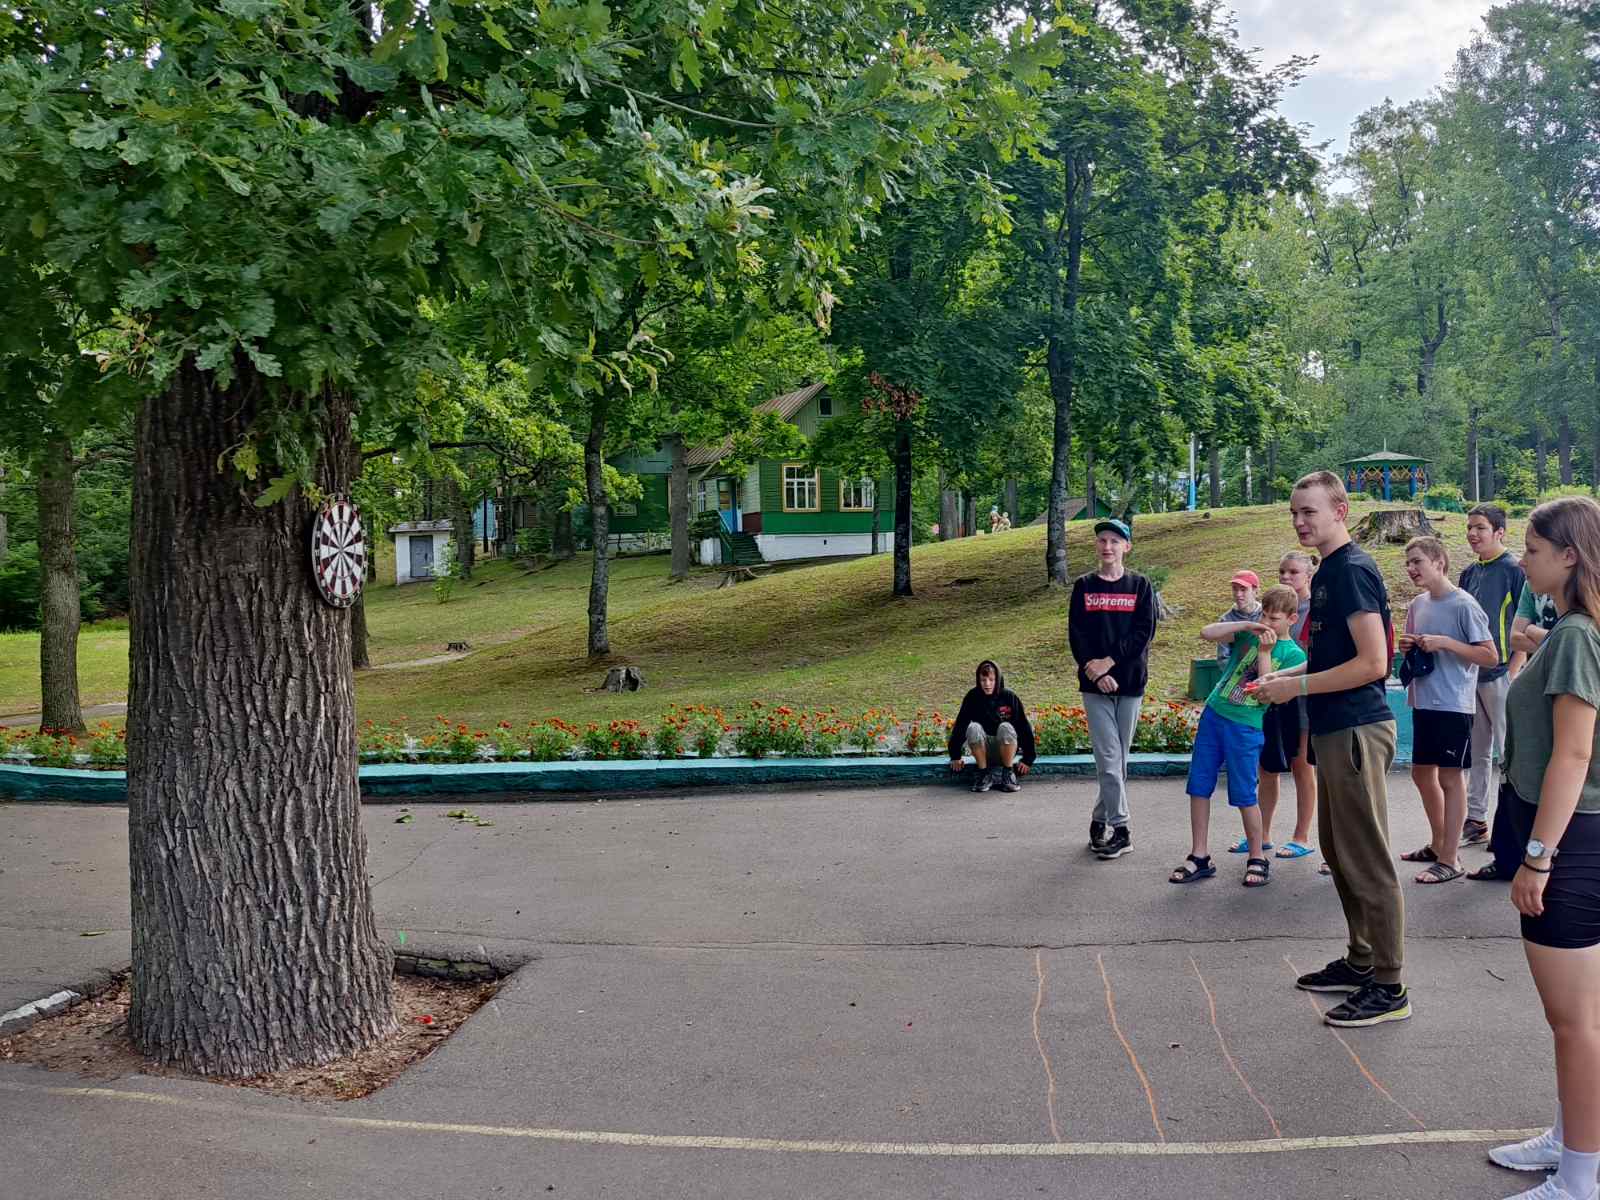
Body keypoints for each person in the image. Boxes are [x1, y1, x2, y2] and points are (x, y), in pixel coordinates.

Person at [1256, 470, 1408, 1027]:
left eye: (1310, 511)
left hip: (1356, 729)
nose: (1299, 521)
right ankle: (1362, 960)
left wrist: (1293, 687)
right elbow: (1335, 659)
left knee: (1367, 858)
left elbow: (1374, 663)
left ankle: (1389, 987)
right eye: (1294, 512)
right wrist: (1285, 679)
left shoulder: (1352, 570)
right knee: (1340, 852)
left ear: (1340, 511)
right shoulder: (1327, 572)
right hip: (1334, 730)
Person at [1482, 496, 1600, 1200]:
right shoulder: (1570, 630)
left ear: (1570, 556)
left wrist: (1537, 857)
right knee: (1576, 1019)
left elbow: (1573, 755)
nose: (1522, 561)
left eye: (1531, 549)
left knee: (1575, 1022)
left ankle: (1580, 1177)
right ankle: (1568, 1137)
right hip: (1574, 838)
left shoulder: (1579, 635)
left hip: (1572, 843)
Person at [1170, 585, 1307, 888]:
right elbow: (1207, 633)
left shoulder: (1293, 654)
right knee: (1199, 785)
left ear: (1292, 619)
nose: (1267, 623)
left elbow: (1263, 691)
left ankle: (1257, 856)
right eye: (1264, 616)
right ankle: (1199, 854)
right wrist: (1246, 625)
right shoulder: (1248, 634)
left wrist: (1265, 652)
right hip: (1215, 714)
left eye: (1274, 618)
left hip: (1245, 725)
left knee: (1245, 793)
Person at [1395, 536, 1497, 884]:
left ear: (1439, 562)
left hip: (1453, 703)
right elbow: (1412, 645)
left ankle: (1451, 858)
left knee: (1451, 778)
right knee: (1422, 774)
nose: (1411, 568)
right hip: (1423, 699)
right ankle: (1440, 844)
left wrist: (1446, 643)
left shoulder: (1464, 604)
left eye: (1417, 561)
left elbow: (1489, 656)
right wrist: (1408, 644)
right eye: (1408, 562)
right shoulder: (1418, 604)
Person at [1069, 518, 1158, 861]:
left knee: (1117, 763)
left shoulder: (1140, 585)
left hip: (1130, 683)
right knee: (1109, 759)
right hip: (1095, 687)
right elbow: (1077, 634)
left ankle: (1098, 819)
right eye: (1102, 540)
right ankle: (1122, 830)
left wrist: (1109, 662)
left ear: (1126, 547)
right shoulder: (1084, 586)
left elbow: (1143, 632)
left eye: (1115, 541)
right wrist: (1095, 671)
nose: (1107, 546)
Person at [1476, 581, 1566, 883]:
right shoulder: (1533, 586)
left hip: (1566, 688)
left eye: (1532, 556)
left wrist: (1535, 632)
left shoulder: (1584, 582)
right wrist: (1554, 638)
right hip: (1535, 692)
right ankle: (1509, 858)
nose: (1524, 562)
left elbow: (1578, 639)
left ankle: (1546, 860)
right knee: (1513, 772)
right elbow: (1515, 637)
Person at [1459, 504, 1527, 847]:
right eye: (1469, 527)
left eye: (1480, 528)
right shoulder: (1469, 573)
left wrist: (1513, 672)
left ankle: (1514, 825)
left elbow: (1525, 622)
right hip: (1472, 674)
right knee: (1478, 751)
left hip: (1503, 674)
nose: (1472, 534)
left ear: (1499, 532)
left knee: (1509, 753)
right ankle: (1476, 820)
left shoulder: (1515, 569)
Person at [1256, 550, 1319, 861]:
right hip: (1273, 699)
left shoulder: (1316, 610)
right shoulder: (1271, 608)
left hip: (1304, 699)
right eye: (1282, 571)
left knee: (1302, 766)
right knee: (1267, 767)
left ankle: (1301, 836)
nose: (1285, 577)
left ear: (1308, 575)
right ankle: (1261, 833)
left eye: (1293, 572)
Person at [946, 660, 1037, 793]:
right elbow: (961, 724)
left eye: (991, 680)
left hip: (1006, 749)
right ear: (978, 680)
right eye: (983, 680)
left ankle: (1008, 774)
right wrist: (955, 756)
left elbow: (1023, 726)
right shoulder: (972, 697)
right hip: (983, 751)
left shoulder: (1009, 697)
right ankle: (983, 774)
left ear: (997, 679)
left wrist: (1028, 759)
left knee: (1006, 727)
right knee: (973, 727)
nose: (987, 684)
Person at [1215, 570, 1263, 665]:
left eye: (1243, 589)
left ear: (1256, 591)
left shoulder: (1266, 615)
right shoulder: (1226, 620)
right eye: (1235, 589)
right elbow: (1223, 658)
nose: (1238, 594)